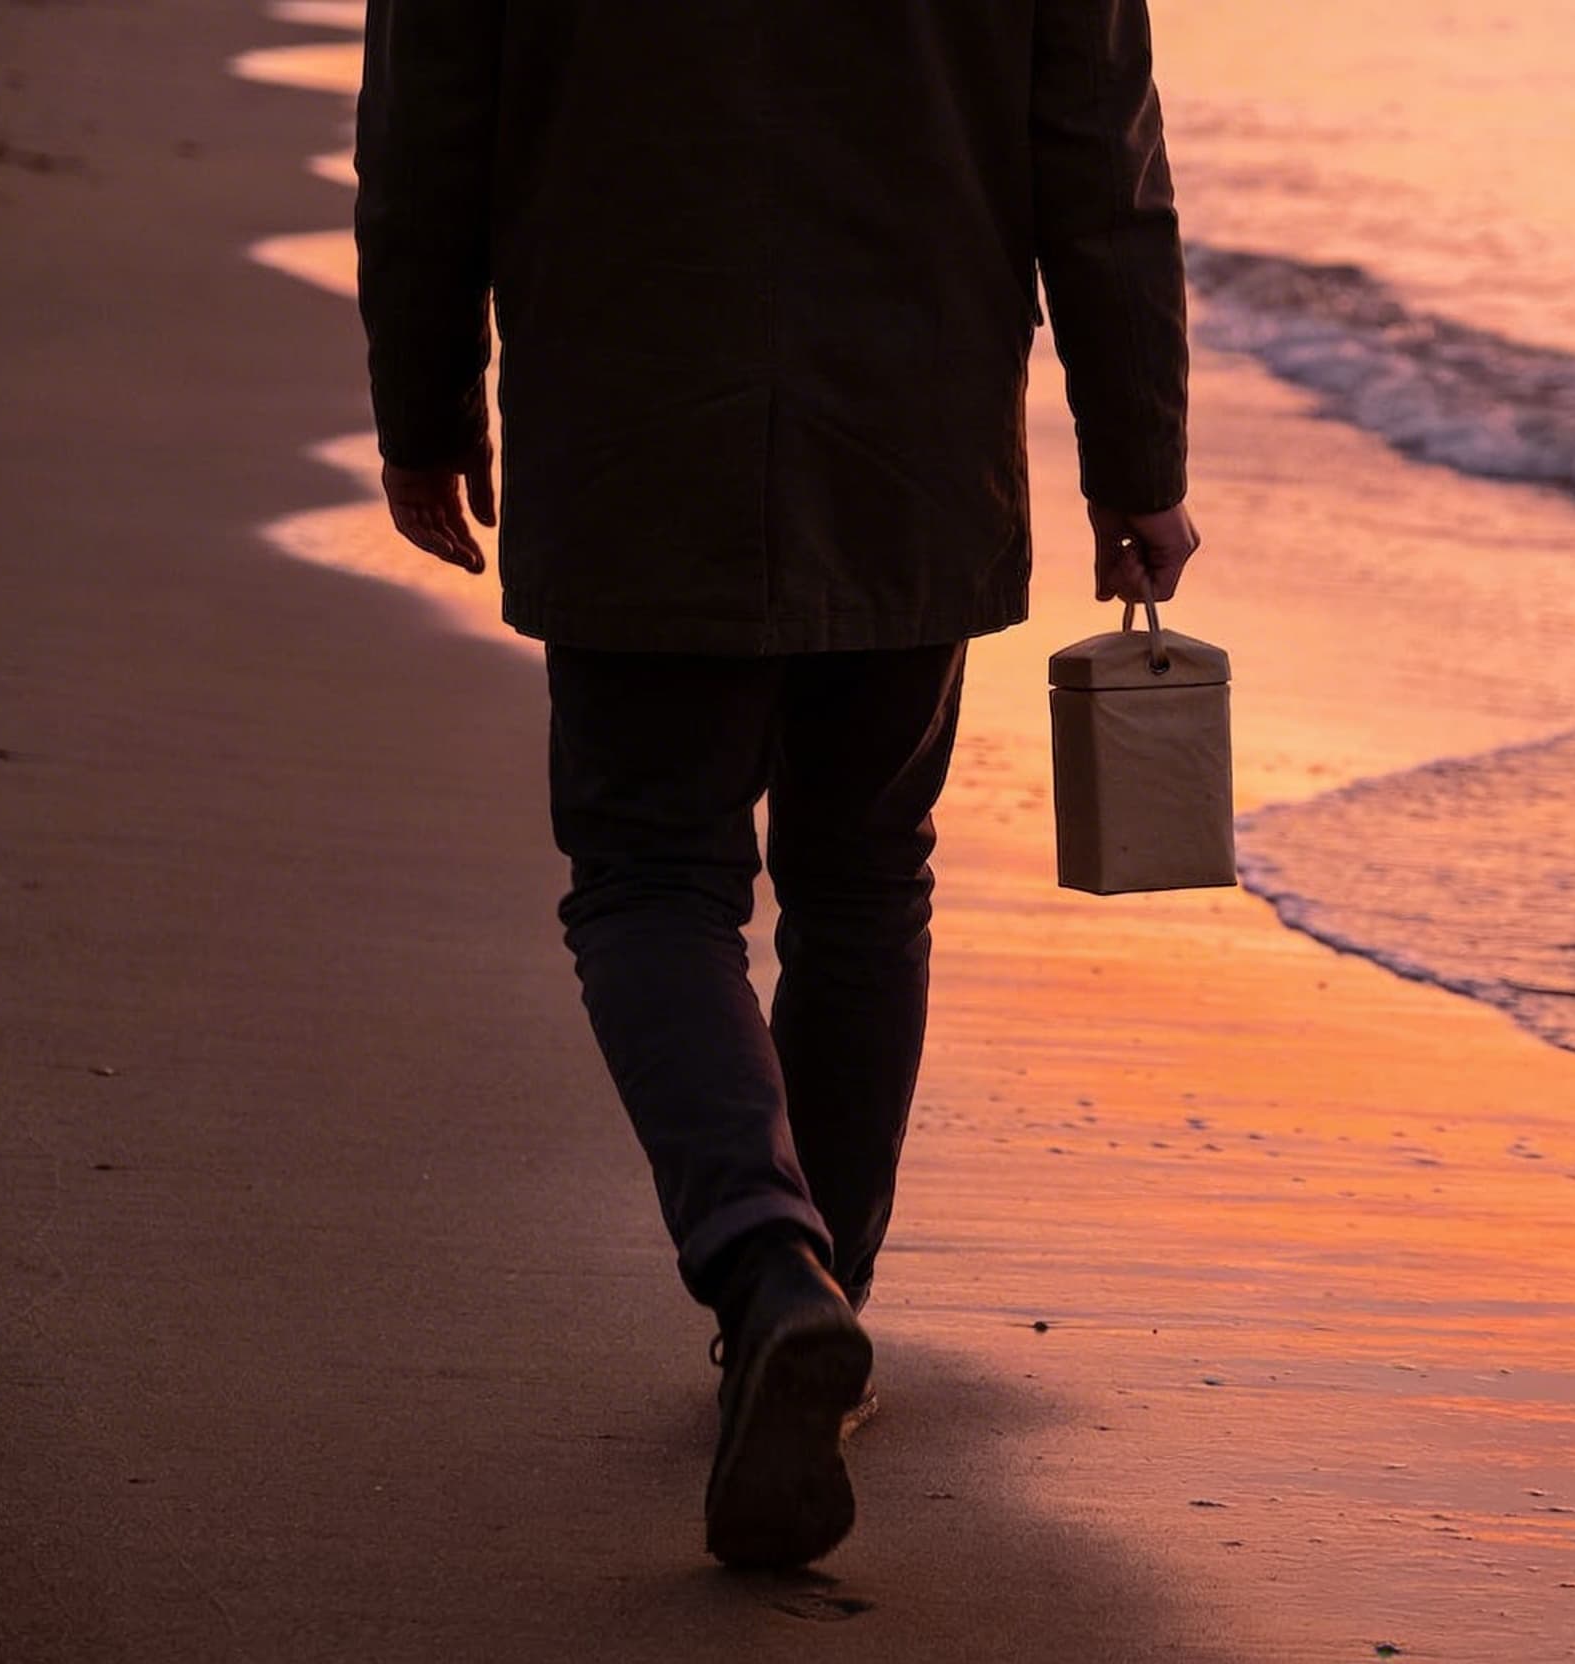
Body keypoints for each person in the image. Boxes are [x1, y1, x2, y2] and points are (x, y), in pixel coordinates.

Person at [352, 0, 1198, 1569]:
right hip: (915, 423)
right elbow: (1099, 162)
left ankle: (770, 1276)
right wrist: (1136, 459)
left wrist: (422, 405)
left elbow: (425, 134)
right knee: (865, 876)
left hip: (627, 419)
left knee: (653, 875)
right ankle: (815, 1308)